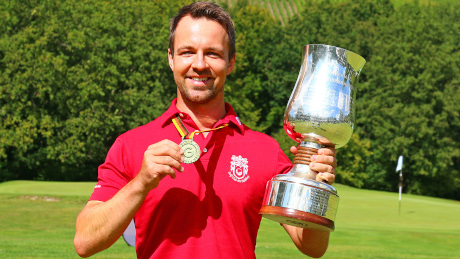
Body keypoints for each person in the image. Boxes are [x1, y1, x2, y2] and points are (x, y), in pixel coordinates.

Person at [74, 2, 337, 258]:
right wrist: (140, 183)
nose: (199, 64)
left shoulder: (265, 151)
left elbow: (312, 247)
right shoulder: (131, 144)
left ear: (231, 62)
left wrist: (317, 187)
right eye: (187, 52)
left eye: (213, 53)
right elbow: (85, 242)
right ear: (171, 58)